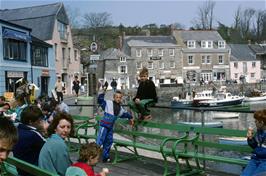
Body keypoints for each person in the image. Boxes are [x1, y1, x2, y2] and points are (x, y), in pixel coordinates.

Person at [96, 89, 133, 162]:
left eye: (120, 97)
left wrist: (131, 117)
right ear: (114, 97)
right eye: (117, 97)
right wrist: (103, 93)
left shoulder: (120, 109)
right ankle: (91, 155)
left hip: (110, 127)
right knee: (100, 140)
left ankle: (105, 157)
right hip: (104, 125)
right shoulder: (108, 103)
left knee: (109, 141)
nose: (118, 99)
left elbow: (125, 114)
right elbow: (100, 101)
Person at [12, 105, 46, 176]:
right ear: (31, 122)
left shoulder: (17, 130)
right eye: (39, 120)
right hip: (33, 171)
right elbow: (49, 147)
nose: (41, 122)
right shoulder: (33, 135)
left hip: (21, 170)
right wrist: (46, 130)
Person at [241, 109, 266, 176]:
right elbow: (254, 145)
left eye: (256, 121)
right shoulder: (259, 131)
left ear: (262, 122)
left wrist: (256, 150)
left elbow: (263, 151)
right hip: (256, 159)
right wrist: (250, 138)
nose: (255, 123)